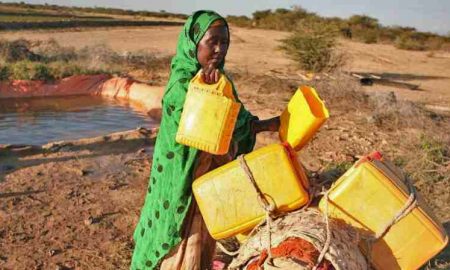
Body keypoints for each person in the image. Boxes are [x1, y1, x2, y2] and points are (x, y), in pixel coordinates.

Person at [131, 10, 280, 270]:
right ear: (194, 42)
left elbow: (237, 121)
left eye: (225, 42)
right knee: (182, 237)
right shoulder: (181, 84)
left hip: (209, 178)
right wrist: (206, 96)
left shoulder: (222, 81)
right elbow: (198, 132)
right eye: (212, 42)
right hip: (182, 179)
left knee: (204, 237)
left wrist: (269, 124)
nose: (219, 49)